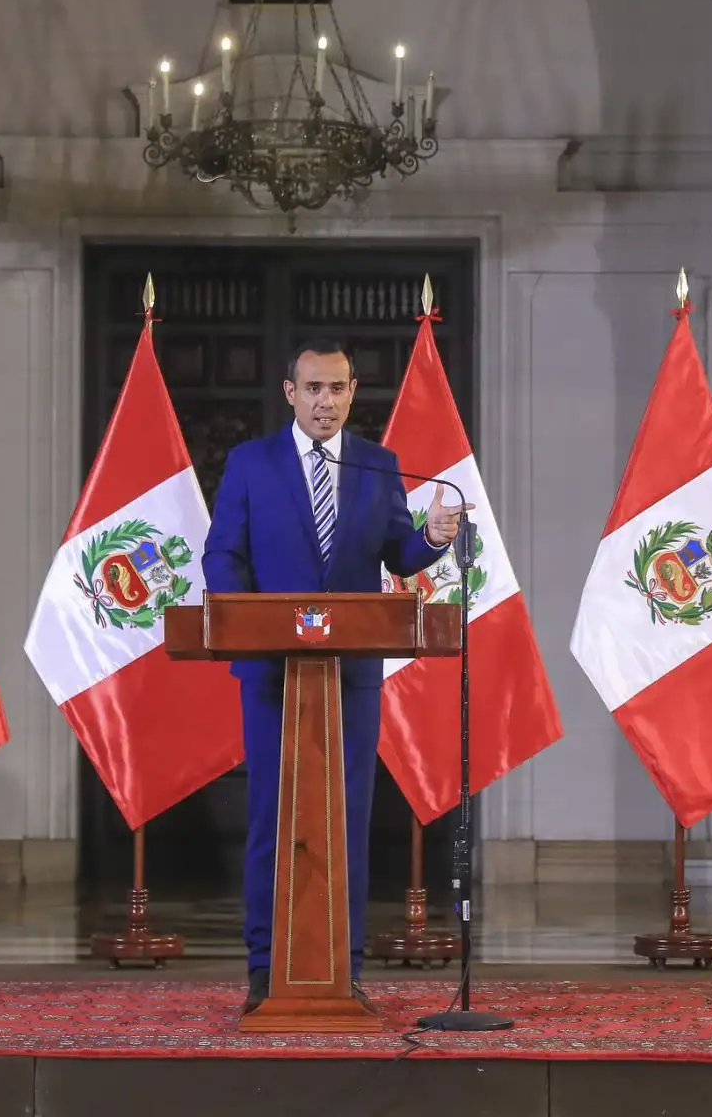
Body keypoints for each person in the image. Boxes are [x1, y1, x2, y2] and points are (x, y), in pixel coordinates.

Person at [202, 338, 472, 1014]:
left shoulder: (381, 467)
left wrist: (433, 536)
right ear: (290, 394)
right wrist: (240, 621)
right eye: (315, 389)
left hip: (351, 675)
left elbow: (399, 553)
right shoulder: (251, 464)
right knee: (273, 818)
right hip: (272, 674)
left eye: (340, 389)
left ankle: (342, 969)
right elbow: (222, 555)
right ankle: (265, 968)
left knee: (344, 822)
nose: (327, 401)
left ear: (353, 393)